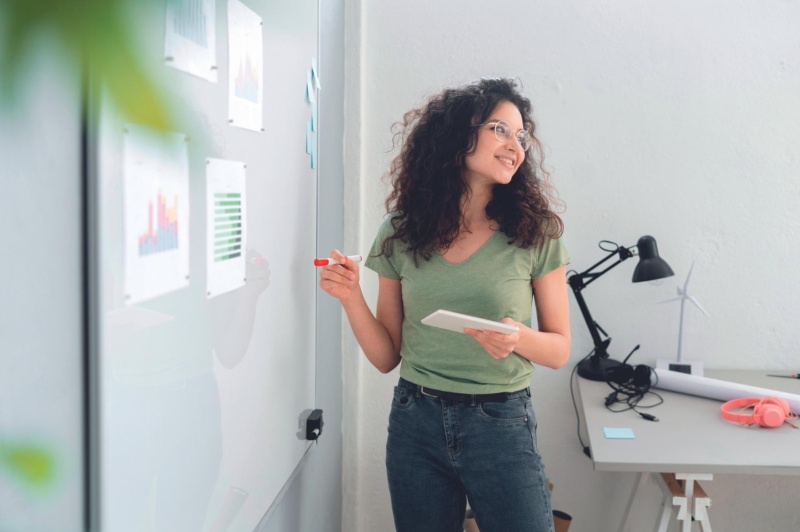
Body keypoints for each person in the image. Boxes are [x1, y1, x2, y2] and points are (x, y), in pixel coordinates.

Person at [319, 77, 571, 532]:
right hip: (415, 420)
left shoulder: (536, 232)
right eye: (500, 129)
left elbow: (558, 350)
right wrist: (350, 296)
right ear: (458, 135)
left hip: (501, 421)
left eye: (520, 136)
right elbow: (386, 357)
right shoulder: (401, 231)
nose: (515, 146)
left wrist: (517, 338)